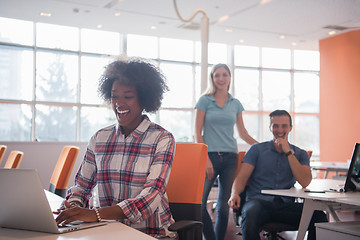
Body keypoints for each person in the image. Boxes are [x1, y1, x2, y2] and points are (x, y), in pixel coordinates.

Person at [54, 58, 176, 238]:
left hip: (150, 234)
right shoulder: (99, 138)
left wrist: (95, 214)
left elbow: (150, 197)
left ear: (144, 99)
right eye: (114, 96)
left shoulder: (162, 139)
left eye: (128, 96)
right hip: (107, 232)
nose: (119, 103)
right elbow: (81, 186)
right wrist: (74, 206)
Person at [228, 110, 328, 240]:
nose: (279, 130)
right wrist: (234, 193)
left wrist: (288, 152)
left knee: (319, 216)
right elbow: (241, 178)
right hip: (259, 203)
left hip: (285, 205)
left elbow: (304, 181)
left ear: (290, 128)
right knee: (250, 212)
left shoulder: (300, 154)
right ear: (270, 127)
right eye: (275, 125)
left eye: (284, 126)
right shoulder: (256, 150)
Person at [195, 63, 257, 240]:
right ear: (212, 78)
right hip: (210, 157)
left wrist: (262, 145)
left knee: (223, 207)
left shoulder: (235, 103)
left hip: (230, 157)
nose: (221, 78)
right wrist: (205, 158)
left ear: (229, 78)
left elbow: (243, 133)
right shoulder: (204, 101)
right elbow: (197, 132)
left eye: (224, 75)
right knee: (199, 204)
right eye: (217, 75)